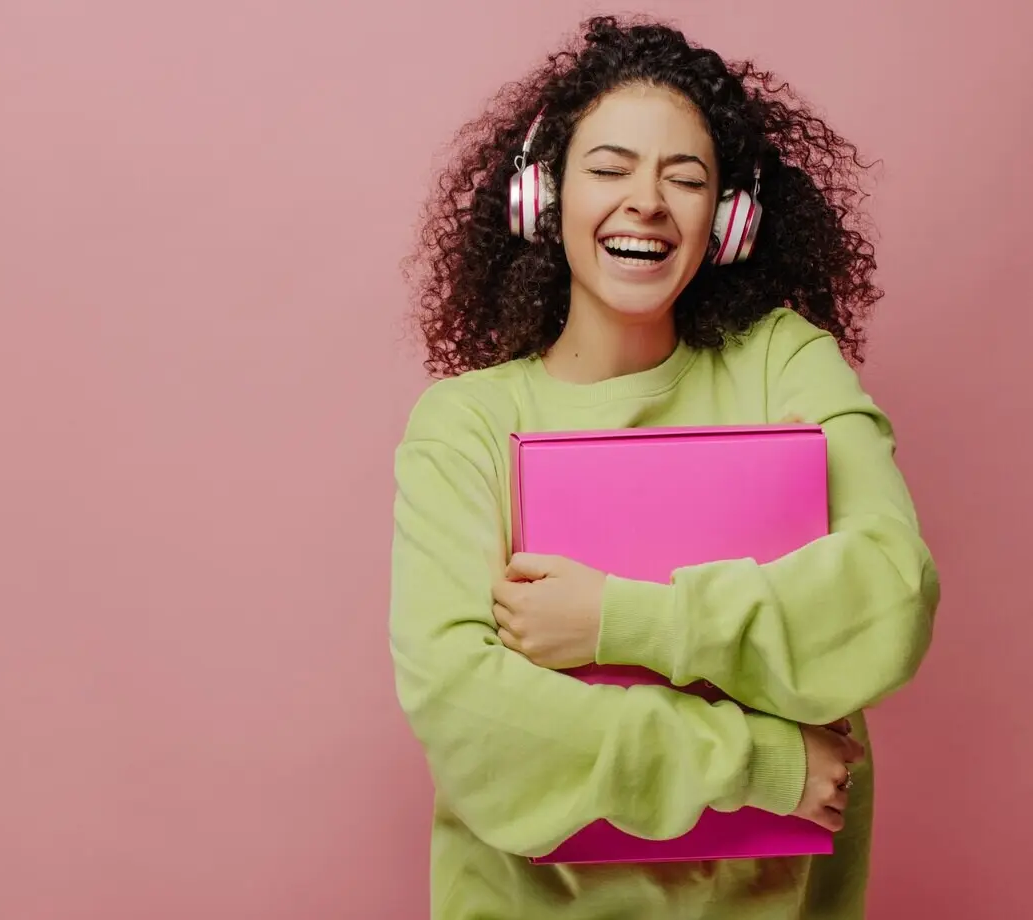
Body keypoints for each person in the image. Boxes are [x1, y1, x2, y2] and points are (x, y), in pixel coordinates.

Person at [388, 15, 940, 920]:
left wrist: (617, 620)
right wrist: (762, 763)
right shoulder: (466, 425)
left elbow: (890, 598)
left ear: (728, 220)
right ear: (541, 197)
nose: (646, 201)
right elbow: (466, 711)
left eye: (684, 178)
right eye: (609, 169)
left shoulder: (785, 363)